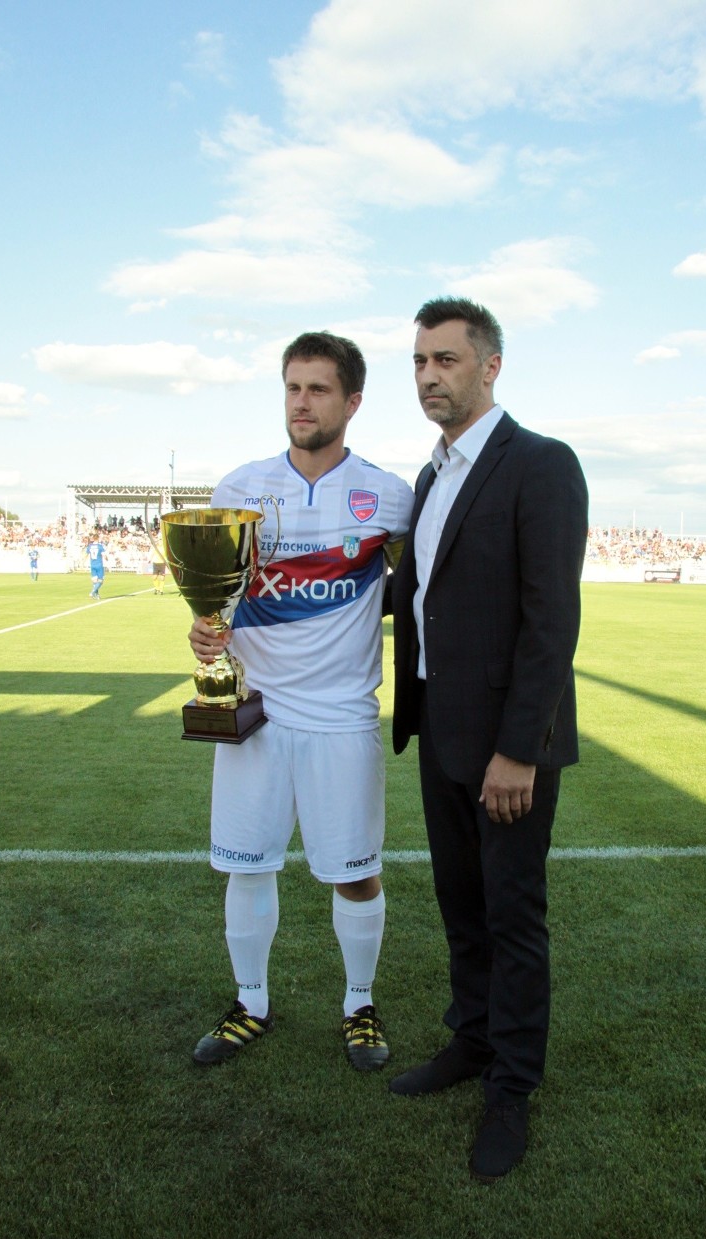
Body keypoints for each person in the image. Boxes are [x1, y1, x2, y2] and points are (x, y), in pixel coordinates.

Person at [387, 298, 588, 1182]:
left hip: (509, 748)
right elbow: (422, 602)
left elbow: (551, 622)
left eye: (446, 360)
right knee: (461, 906)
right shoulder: (430, 476)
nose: (430, 375)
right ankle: (470, 1042)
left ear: (490, 366)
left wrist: (521, 749)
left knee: (512, 915)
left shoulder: (540, 464)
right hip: (440, 731)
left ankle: (511, 1085)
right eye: (421, 361)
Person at [188, 331, 414, 1073]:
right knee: (247, 865)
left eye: (318, 389)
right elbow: (219, 594)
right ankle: (250, 1001)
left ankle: (358, 1002)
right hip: (255, 712)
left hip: (343, 714)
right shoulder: (238, 488)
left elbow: (414, 594)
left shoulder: (389, 495)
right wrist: (206, 628)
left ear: (351, 401)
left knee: (354, 870)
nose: (301, 402)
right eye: (292, 386)